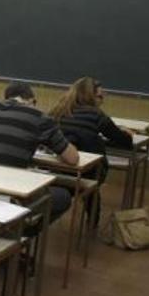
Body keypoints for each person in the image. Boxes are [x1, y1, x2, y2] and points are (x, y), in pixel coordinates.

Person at [0, 81, 78, 226]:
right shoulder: (38, 117)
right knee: (63, 196)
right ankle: (24, 230)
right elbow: (72, 158)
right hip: (11, 194)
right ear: (31, 100)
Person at [49, 77, 134, 222]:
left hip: (56, 169)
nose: (102, 100)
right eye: (100, 96)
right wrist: (127, 133)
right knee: (93, 174)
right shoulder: (96, 115)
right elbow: (123, 141)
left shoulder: (57, 111)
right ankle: (93, 221)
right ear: (89, 96)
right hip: (88, 173)